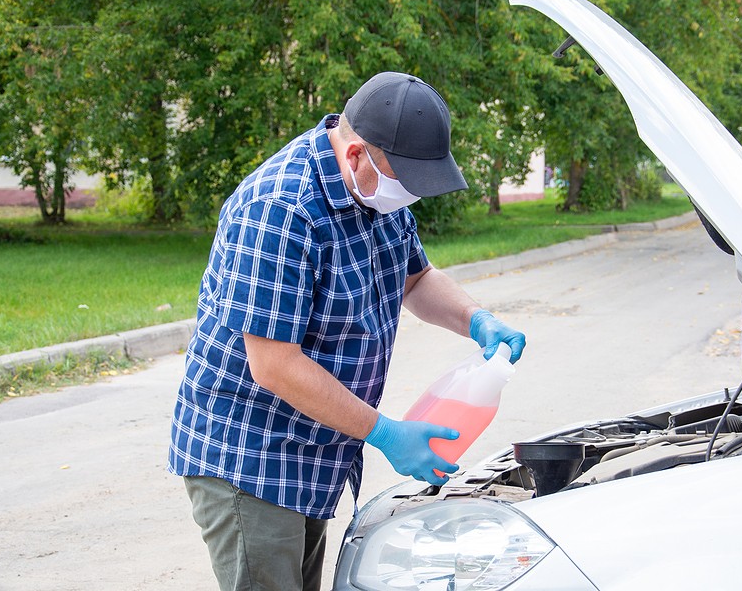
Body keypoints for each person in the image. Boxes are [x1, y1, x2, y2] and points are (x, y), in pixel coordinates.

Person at [168, 71, 527, 591]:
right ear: (356, 154)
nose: (408, 197)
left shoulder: (375, 193)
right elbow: (274, 364)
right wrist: (384, 433)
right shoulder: (279, 210)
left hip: (316, 448)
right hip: (251, 455)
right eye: (402, 181)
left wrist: (477, 319)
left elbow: (417, 278)